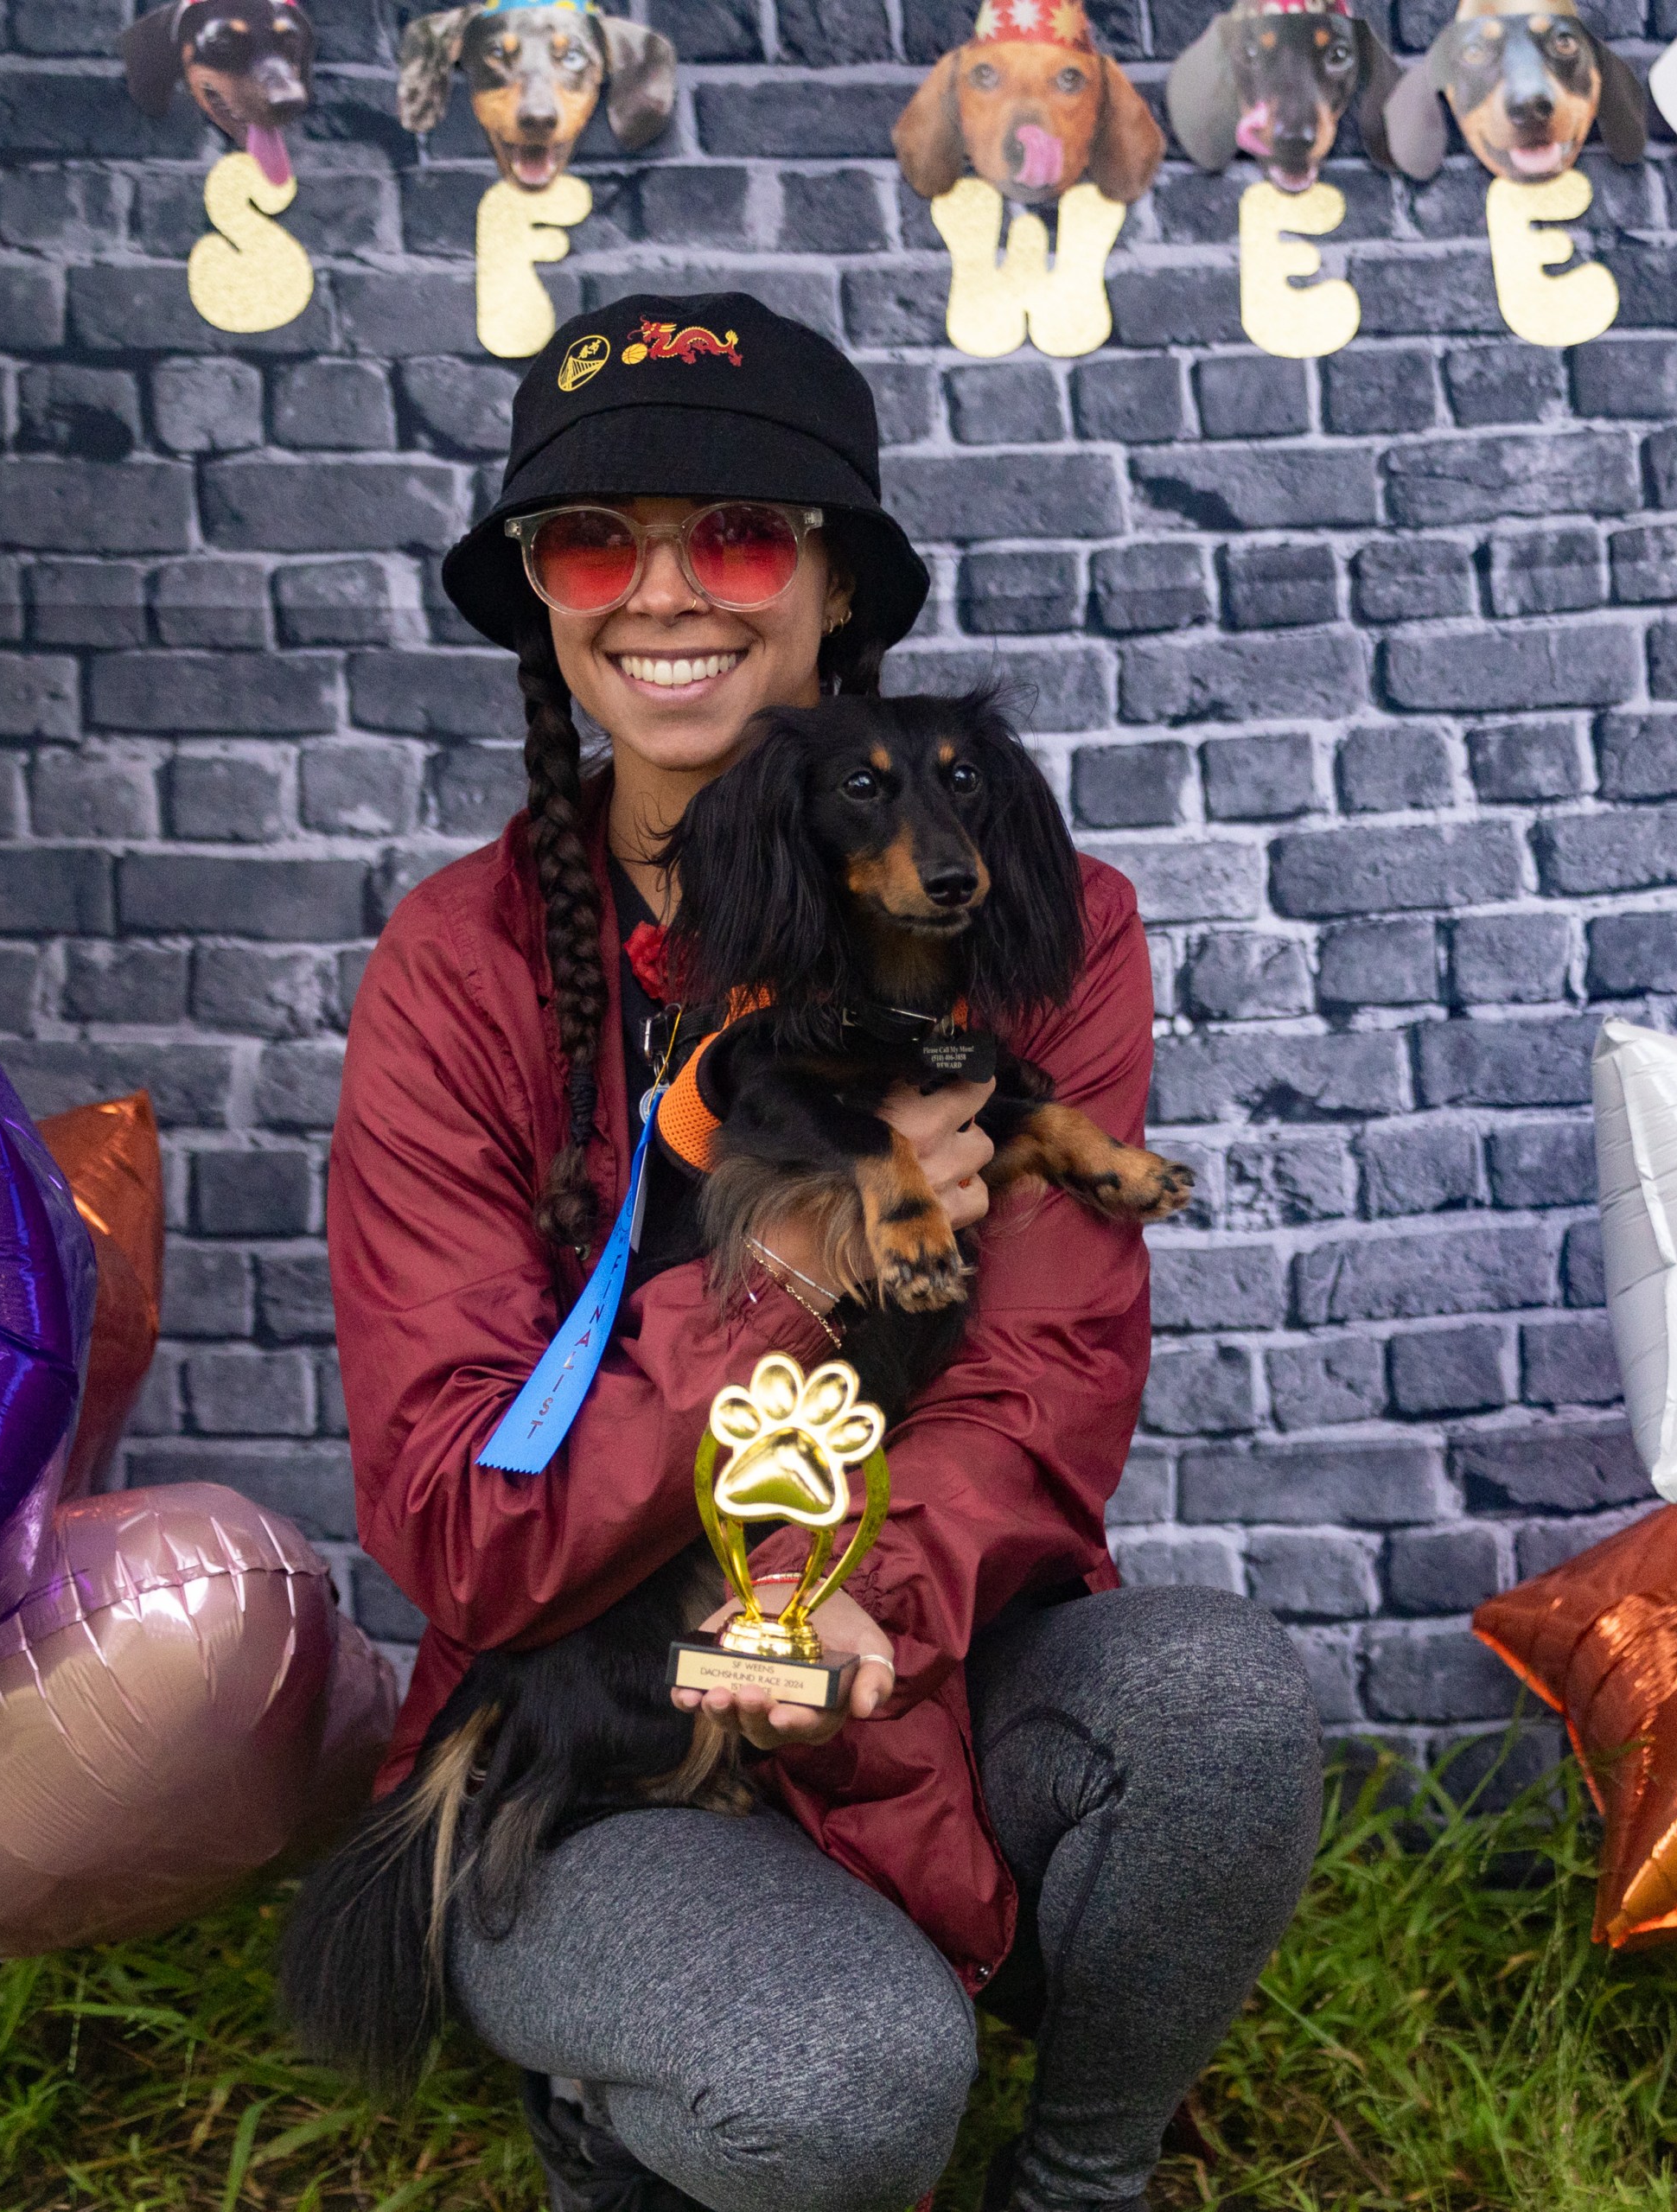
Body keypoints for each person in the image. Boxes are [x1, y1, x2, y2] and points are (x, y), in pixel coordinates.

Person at [322, 290, 1321, 2212]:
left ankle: (1086, 2180)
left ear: (839, 586)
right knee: (849, 2079)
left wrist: (857, 1593)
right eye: (599, 541)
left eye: (744, 536)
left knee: (1215, 1706)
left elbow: (1045, 1375)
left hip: (918, 1655)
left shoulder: (1046, 920)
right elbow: (455, 1508)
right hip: (597, 1731)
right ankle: (627, 2103)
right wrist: (777, 1285)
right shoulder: (456, 968)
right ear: (543, 593)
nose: (666, 593)